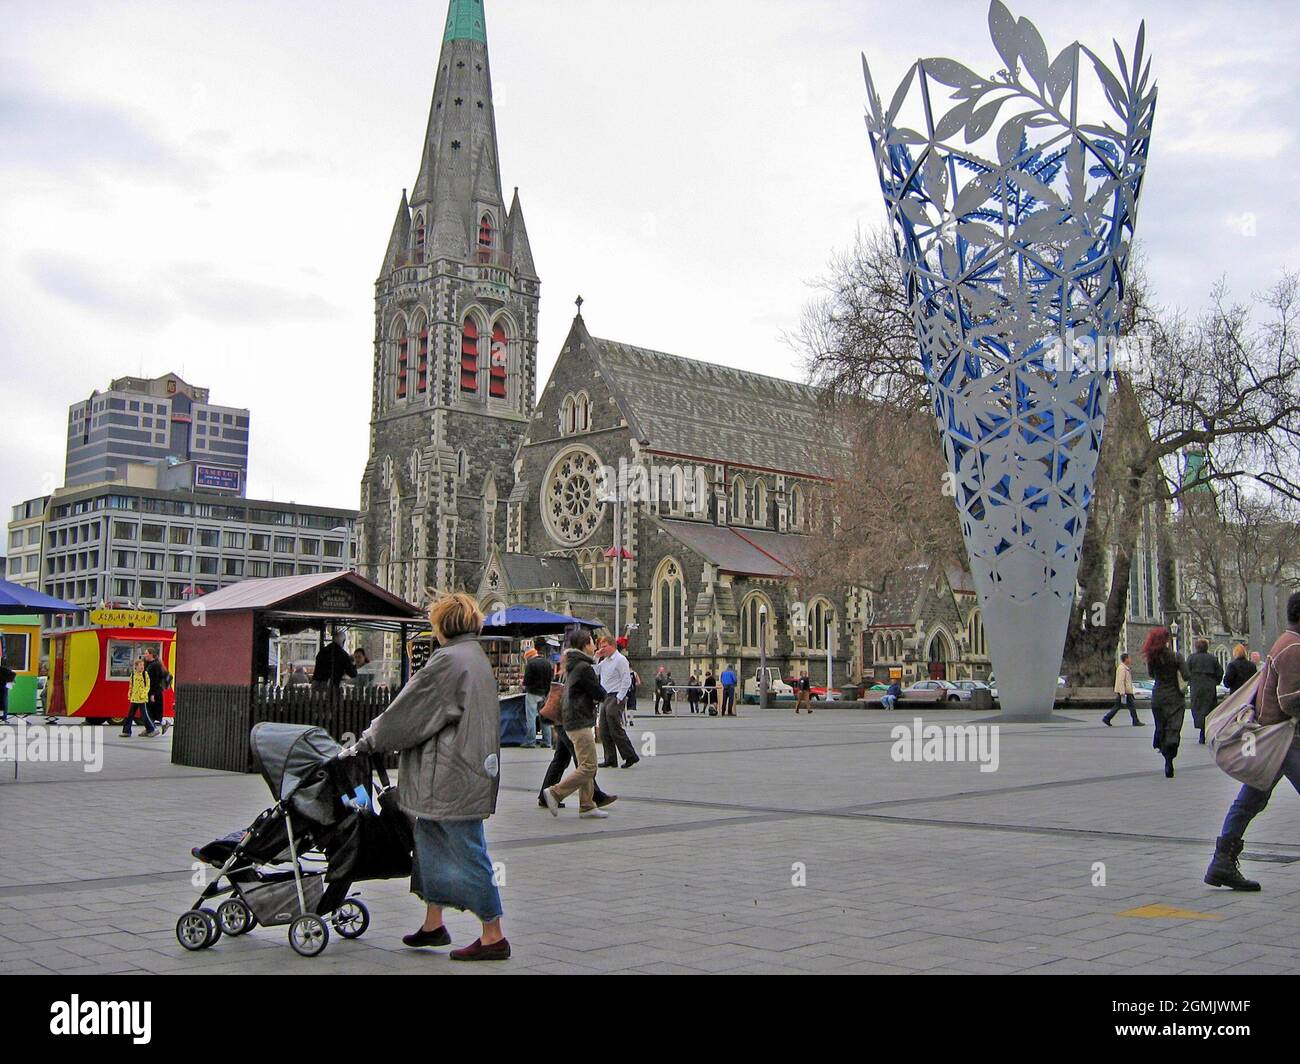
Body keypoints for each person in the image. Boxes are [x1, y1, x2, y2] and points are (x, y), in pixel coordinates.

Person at [347, 593, 510, 961]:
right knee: (430, 842)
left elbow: (408, 713)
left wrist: (370, 740)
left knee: (467, 849)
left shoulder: (448, 661)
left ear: (443, 625)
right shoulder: (474, 657)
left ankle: (493, 934)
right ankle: (433, 922)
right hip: (465, 769)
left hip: (451, 774)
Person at [1204, 592, 1300, 892]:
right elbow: (1288, 700)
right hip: (1285, 740)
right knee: (1250, 800)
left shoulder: (1286, 642)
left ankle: (1222, 862)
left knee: (1250, 800)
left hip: (1275, 741)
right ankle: (1222, 861)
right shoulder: (1294, 647)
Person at [543, 629, 613, 819]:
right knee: (589, 766)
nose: (594, 645)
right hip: (579, 720)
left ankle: (587, 805)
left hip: (572, 719)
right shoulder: (583, 668)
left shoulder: (573, 664)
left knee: (583, 763)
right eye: (591, 642)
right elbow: (599, 692)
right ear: (584, 645)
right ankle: (555, 792)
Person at [1143, 627, 1189, 779]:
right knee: (1173, 728)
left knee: (1161, 726)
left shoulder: (1152, 658)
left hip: (1158, 697)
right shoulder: (1176, 657)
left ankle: (1165, 755)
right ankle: (1170, 753)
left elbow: (1151, 674)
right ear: (1167, 640)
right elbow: (1186, 675)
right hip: (1175, 697)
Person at [596, 636, 639, 769]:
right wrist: (596, 657)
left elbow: (626, 679)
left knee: (615, 727)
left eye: (604, 646)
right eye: (600, 646)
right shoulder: (605, 661)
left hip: (615, 695)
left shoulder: (620, 660)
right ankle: (610, 758)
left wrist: (620, 696)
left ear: (612, 646)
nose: (602, 649)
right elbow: (594, 671)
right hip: (605, 695)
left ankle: (630, 755)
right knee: (603, 728)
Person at [1187, 638, 1224, 745]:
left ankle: (1201, 730)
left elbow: (1186, 672)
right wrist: (1215, 682)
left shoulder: (1191, 658)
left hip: (1196, 687)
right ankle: (1205, 731)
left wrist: (1191, 682)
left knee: (1197, 708)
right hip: (1209, 687)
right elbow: (1220, 672)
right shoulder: (1212, 658)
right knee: (1209, 709)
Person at [521, 641, 552, 750]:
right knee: (544, 717)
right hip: (544, 693)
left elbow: (527, 681)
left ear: (528, 657)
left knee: (531, 718)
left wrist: (523, 684)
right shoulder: (547, 663)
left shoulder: (530, 665)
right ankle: (547, 741)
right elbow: (550, 679)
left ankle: (531, 741)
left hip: (533, 693)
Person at [121, 658, 160, 738]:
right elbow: (131, 685)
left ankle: (152, 729)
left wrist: (144, 693)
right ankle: (126, 731)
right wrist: (130, 693)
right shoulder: (133, 674)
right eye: (140, 665)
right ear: (136, 666)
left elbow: (148, 686)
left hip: (142, 698)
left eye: (143, 665)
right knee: (130, 715)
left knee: (144, 715)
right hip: (134, 698)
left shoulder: (145, 674)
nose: (142, 666)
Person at [1102, 653, 1143, 726]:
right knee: (1130, 707)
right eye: (1129, 658)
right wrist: (1122, 692)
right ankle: (1135, 721)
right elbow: (1121, 681)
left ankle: (1107, 718)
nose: (1130, 660)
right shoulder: (1122, 668)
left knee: (1120, 706)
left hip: (1126, 692)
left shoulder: (1125, 668)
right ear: (1126, 659)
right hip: (1125, 692)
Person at [143, 648, 171, 735]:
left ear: (151, 654)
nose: (145, 655)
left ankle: (157, 726)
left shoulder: (155, 665)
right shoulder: (149, 664)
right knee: (149, 711)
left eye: (146, 653)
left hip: (155, 693)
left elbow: (155, 681)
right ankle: (149, 728)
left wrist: (152, 694)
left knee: (152, 712)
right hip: (151, 692)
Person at [0, 659, 15, 724]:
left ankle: (4, 716)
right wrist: (8, 680)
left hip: (2, 686)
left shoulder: (2, 669)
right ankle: (4, 716)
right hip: (4, 686)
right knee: (4, 700)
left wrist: (7, 680)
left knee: (4, 700)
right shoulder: (5, 669)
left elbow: (13, 674)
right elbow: (13, 674)